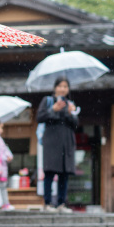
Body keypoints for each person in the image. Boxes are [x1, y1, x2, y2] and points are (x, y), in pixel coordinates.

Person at [37, 76, 78, 213]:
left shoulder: (70, 104)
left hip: (66, 143)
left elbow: (75, 125)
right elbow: (39, 117)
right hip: (51, 142)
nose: (62, 89)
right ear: (55, 88)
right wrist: (53, 109)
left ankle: (61, 203)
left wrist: (71, 113)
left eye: (65, 86)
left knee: (64, 174)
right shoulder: (47, 101)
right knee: (49, 172)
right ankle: (47, 203)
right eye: (60, 86)